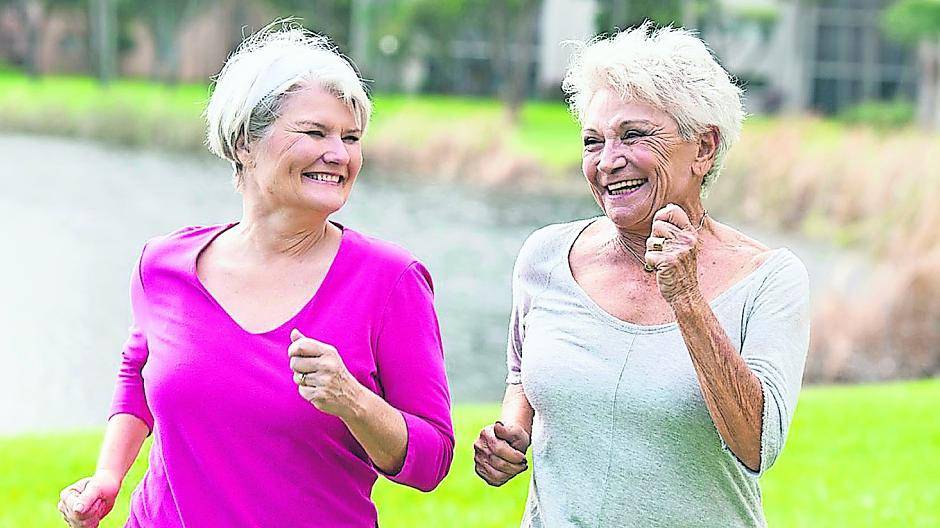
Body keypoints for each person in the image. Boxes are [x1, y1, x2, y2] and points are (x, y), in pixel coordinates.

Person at [58, 23, 454, 527]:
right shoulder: (163, 265)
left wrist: (353, 401)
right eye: (315, 132)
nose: (339, 154)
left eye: (351, 137)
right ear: (245, 141)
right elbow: (138, 371)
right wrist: (108, 476)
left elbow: (432, 460)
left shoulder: (391, 281)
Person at [474, 23, 810, 527]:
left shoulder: (769, 279)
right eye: (593, 141)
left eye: (633, 135)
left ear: (703, 148)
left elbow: (757, 446)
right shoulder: (544, 257)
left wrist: (687, 299)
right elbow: (522, 374)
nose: (608, 162)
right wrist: (510, 432)